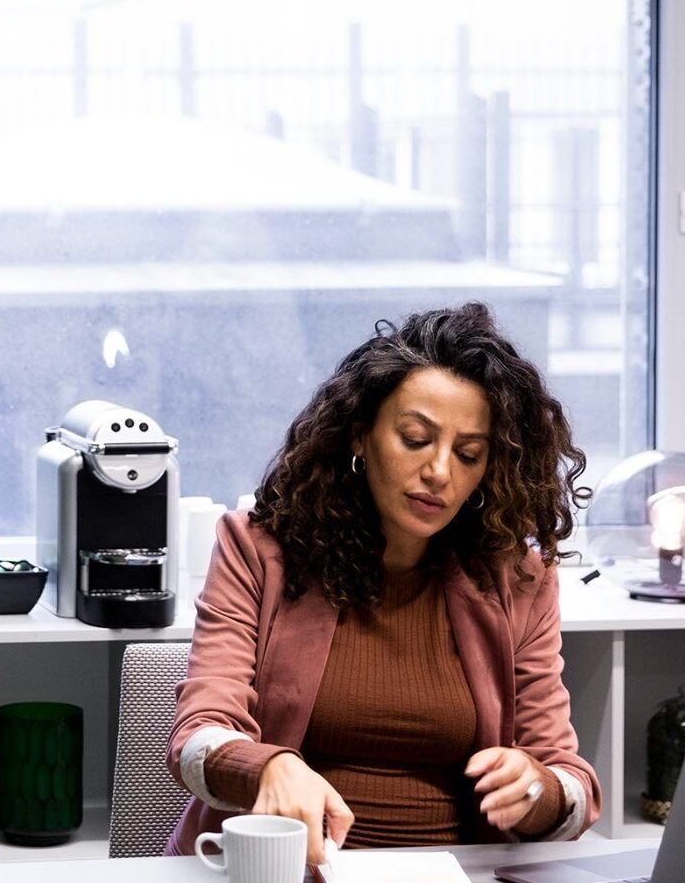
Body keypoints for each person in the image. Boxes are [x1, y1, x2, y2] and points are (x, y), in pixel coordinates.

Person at [166, 303, 601, 866]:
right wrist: (266, 766)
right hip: (290, 867)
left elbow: (571, 784)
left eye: (468, 454)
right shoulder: (259, 550)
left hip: (456, 873)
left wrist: (538, 788)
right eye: (415, 439)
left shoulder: (517, 579)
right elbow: (197, 735)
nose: (439, 472)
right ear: (359, 436)